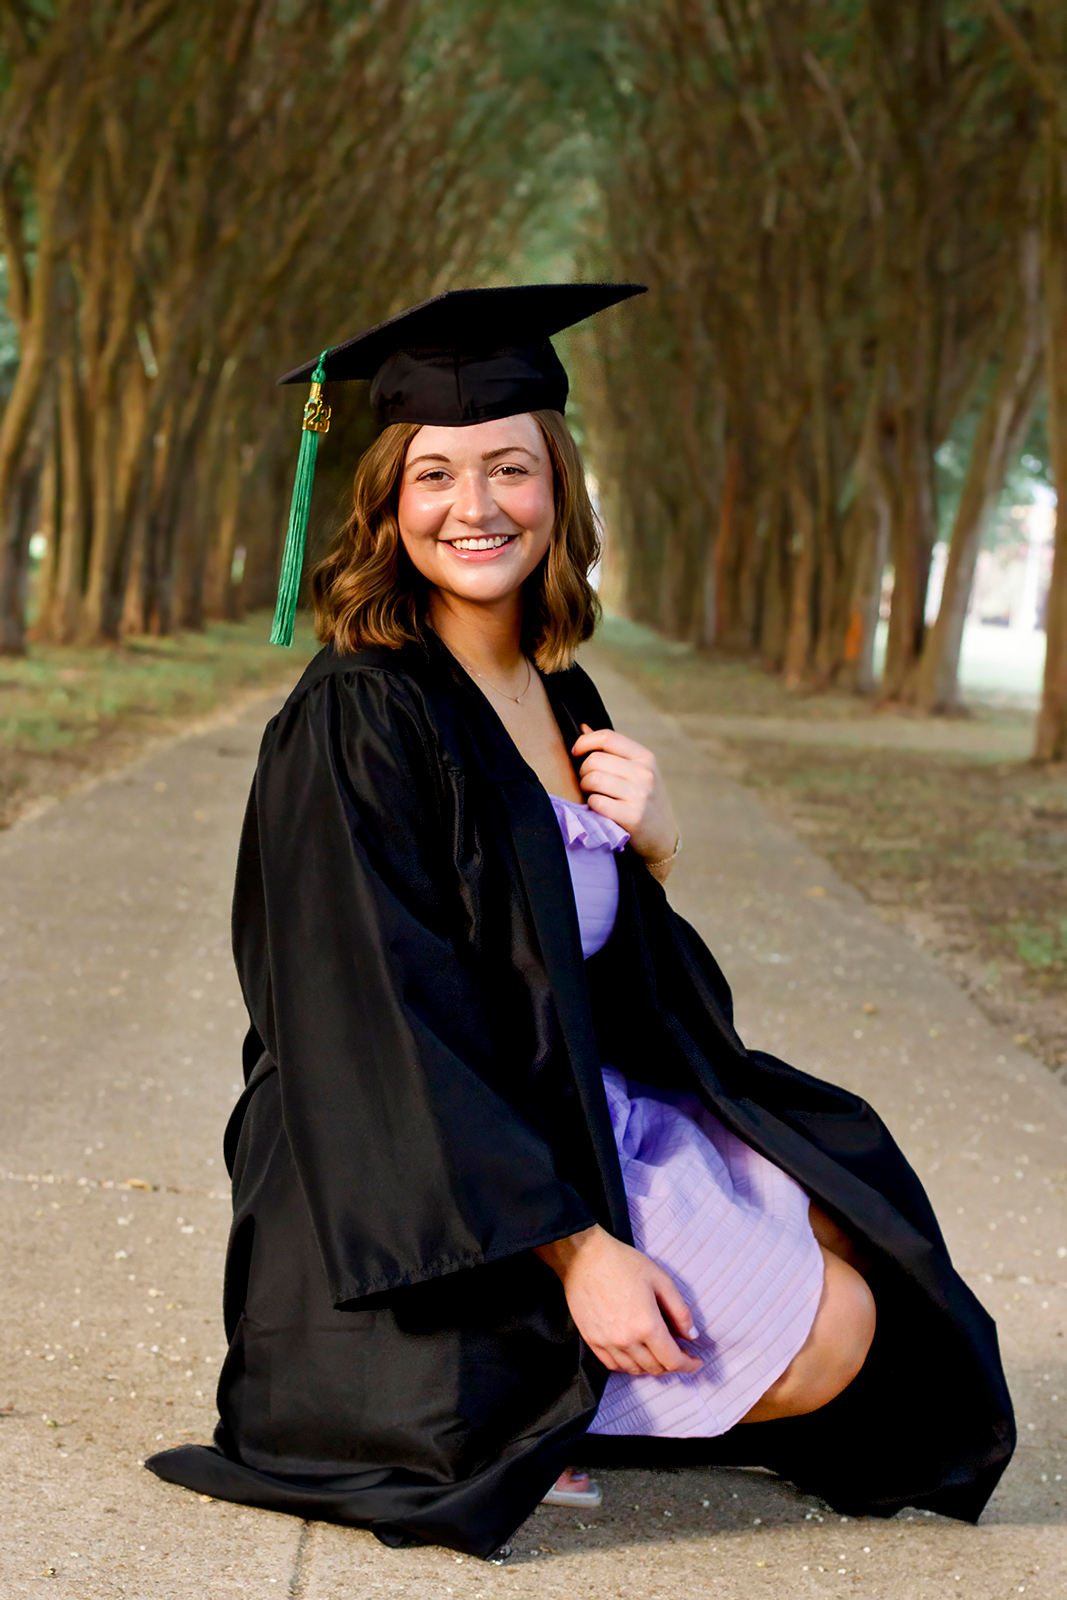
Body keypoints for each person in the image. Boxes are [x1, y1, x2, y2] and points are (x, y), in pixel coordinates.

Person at [148, 285, 1014, 1558]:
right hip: (424, 1178)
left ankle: (599, 1386)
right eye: (433, 474)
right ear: (386, 501)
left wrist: (651, 846)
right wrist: (577, 1251)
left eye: (510, 467)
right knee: (831, 1334)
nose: (474, 506)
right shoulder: (358, 716)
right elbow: (384, 1026)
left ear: (558, 487)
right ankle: (552, 1396)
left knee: (854, 1226)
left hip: (560, 1107)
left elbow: (590, 969)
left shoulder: (560, 687)